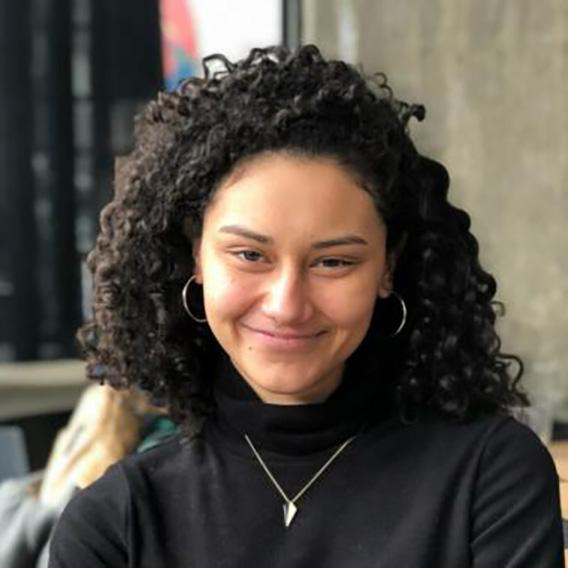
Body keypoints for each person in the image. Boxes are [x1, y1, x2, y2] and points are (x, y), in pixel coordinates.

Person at [48, 45, 564, 567]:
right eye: (250, 255)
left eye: (333, 263)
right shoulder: (117, 522)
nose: (287, 304)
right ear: (195, 257)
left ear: (388, 266)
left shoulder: (490, 477)